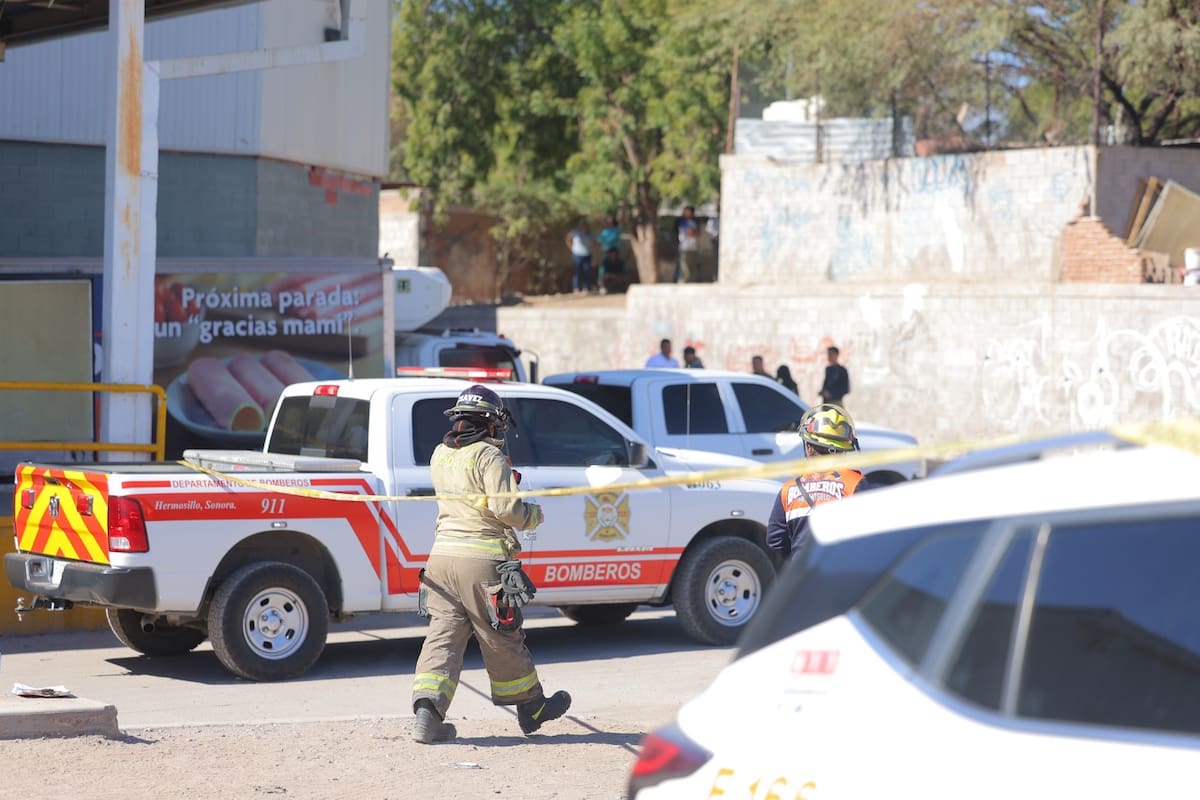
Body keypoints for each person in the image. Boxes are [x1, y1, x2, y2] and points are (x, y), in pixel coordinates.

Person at [411, 385, 571, 743]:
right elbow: (506, 509)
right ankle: (531, 708)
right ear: (490, 423)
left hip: (440, 560)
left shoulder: (440, 453)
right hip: (481, 560)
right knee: (500, 636)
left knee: (444, 635)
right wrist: (533, 515)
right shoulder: (489, 456)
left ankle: (428, 712)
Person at [766, 403, 872, 559]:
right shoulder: (856, 484)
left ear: (809, 448)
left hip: (803, 577)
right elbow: (872, 535)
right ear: (844, 449)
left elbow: (775, 540)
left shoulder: (788, 490)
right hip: (845, 573)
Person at [596, 215, 624, 293]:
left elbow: (612, 239)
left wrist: (606, 241)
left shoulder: (616, 230)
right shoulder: (605, 231)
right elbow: (599, 239)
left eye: (610, 222)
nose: (608, 223)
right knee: (603, 267)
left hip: (614, 250)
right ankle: (602, 284)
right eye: (607, 222)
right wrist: (605, 241)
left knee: (616, 265)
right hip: (606, 251)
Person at [565, 220, 593, 293]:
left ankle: (586, 288)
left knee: (587, 271)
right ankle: (576, 288)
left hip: (587, 254)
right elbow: (567, 239)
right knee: (577, 272)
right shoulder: (575, 232)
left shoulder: (590, 233)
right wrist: (571, 248)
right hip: (577, 255)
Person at [673, 206, 700, 283]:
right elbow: (689, 232)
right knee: (684, 269)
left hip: (693, 247)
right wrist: (693, 232)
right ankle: (681, 283)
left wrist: (693, 233)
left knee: (692, 268)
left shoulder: (695, 221)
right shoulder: (682, 221)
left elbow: (697, 233)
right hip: (684, 248)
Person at [705, 213, 719, 280]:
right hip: (716, 242)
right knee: (716, 260)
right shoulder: (713, 219)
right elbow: (709, 230)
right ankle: (715, 276)